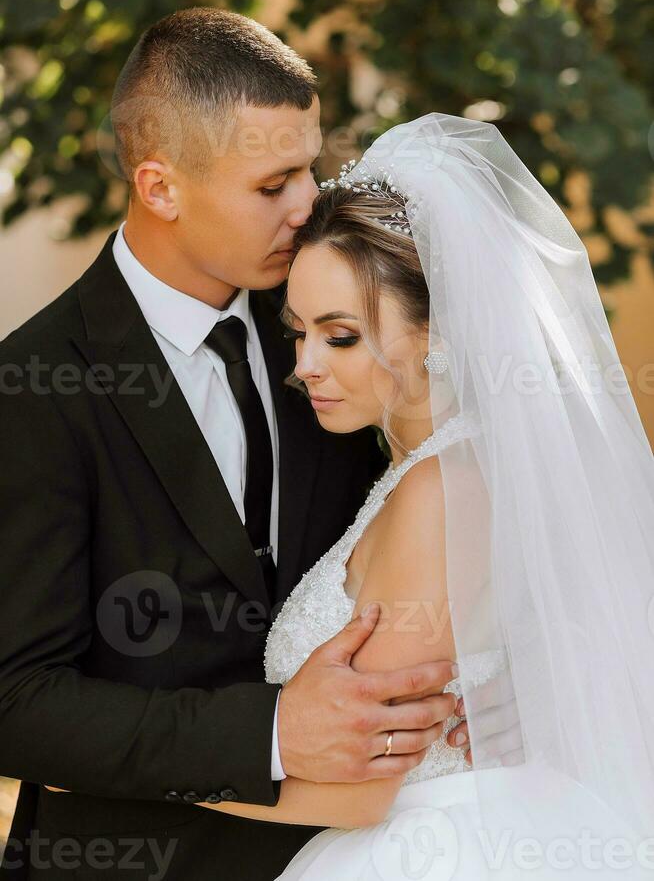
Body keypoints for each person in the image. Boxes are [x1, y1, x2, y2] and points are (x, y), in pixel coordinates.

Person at [0, 12, 459, 881]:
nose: (309, 205)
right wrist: (275, 732)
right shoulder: (31, 388)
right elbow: (15, 699)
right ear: (161, 187)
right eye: (273, 183)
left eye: (311, 169)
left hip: (352, 851)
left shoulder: (333, 332)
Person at [188, 114, 654, 879]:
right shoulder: (439, 469)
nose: (303, 364)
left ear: (438, 332)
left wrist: (140, 779)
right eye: (297, 330)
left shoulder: (442, 488)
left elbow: (366, 784)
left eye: (340, 337)